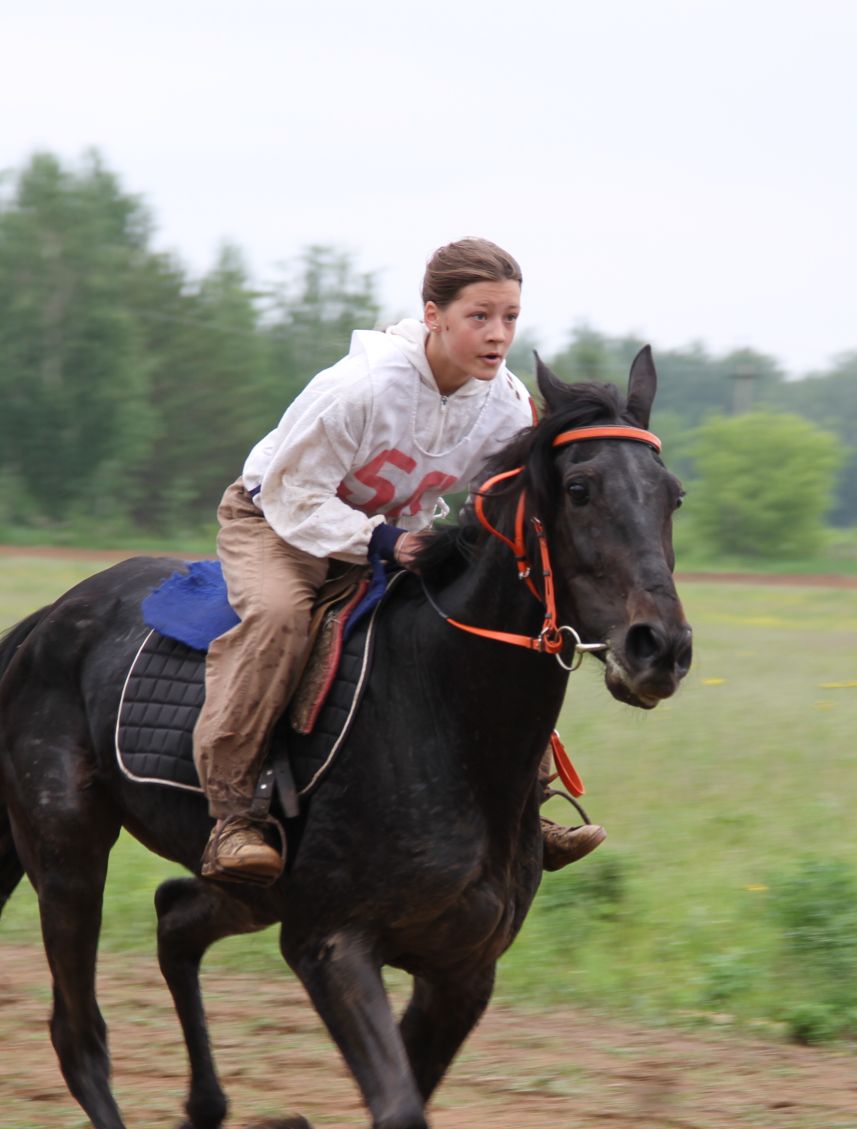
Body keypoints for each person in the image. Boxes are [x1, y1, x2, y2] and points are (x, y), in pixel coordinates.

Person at [193, 237, 605, 883]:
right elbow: (291, 493)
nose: (497, 335)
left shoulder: (504, 402)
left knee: (493, 624)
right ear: (433, 314)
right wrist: (385, 544)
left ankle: (528, 801)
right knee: (277, 618)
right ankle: (234, 817)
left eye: (510, 318)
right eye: (479, 316)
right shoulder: (360, 388)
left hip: (401, 535)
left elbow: (519, 490)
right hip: (277, 523)